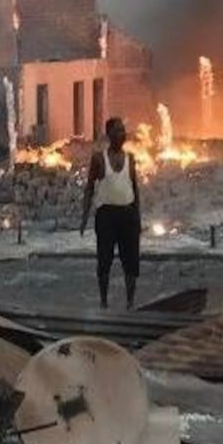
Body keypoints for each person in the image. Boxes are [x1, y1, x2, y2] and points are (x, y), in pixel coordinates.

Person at [79, 117, 141, 309]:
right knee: (104, 259)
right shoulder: (99, 158)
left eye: (123, 130)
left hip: (128, 214)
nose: (122, 134)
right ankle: (104, 301)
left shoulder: (131, 158)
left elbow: (134, 186)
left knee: (130, 260)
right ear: (109, 135)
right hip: (106, 216)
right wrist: (84, 216)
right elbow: (89, 188)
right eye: (118, 131)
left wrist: (138, 215)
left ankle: (130, 302)